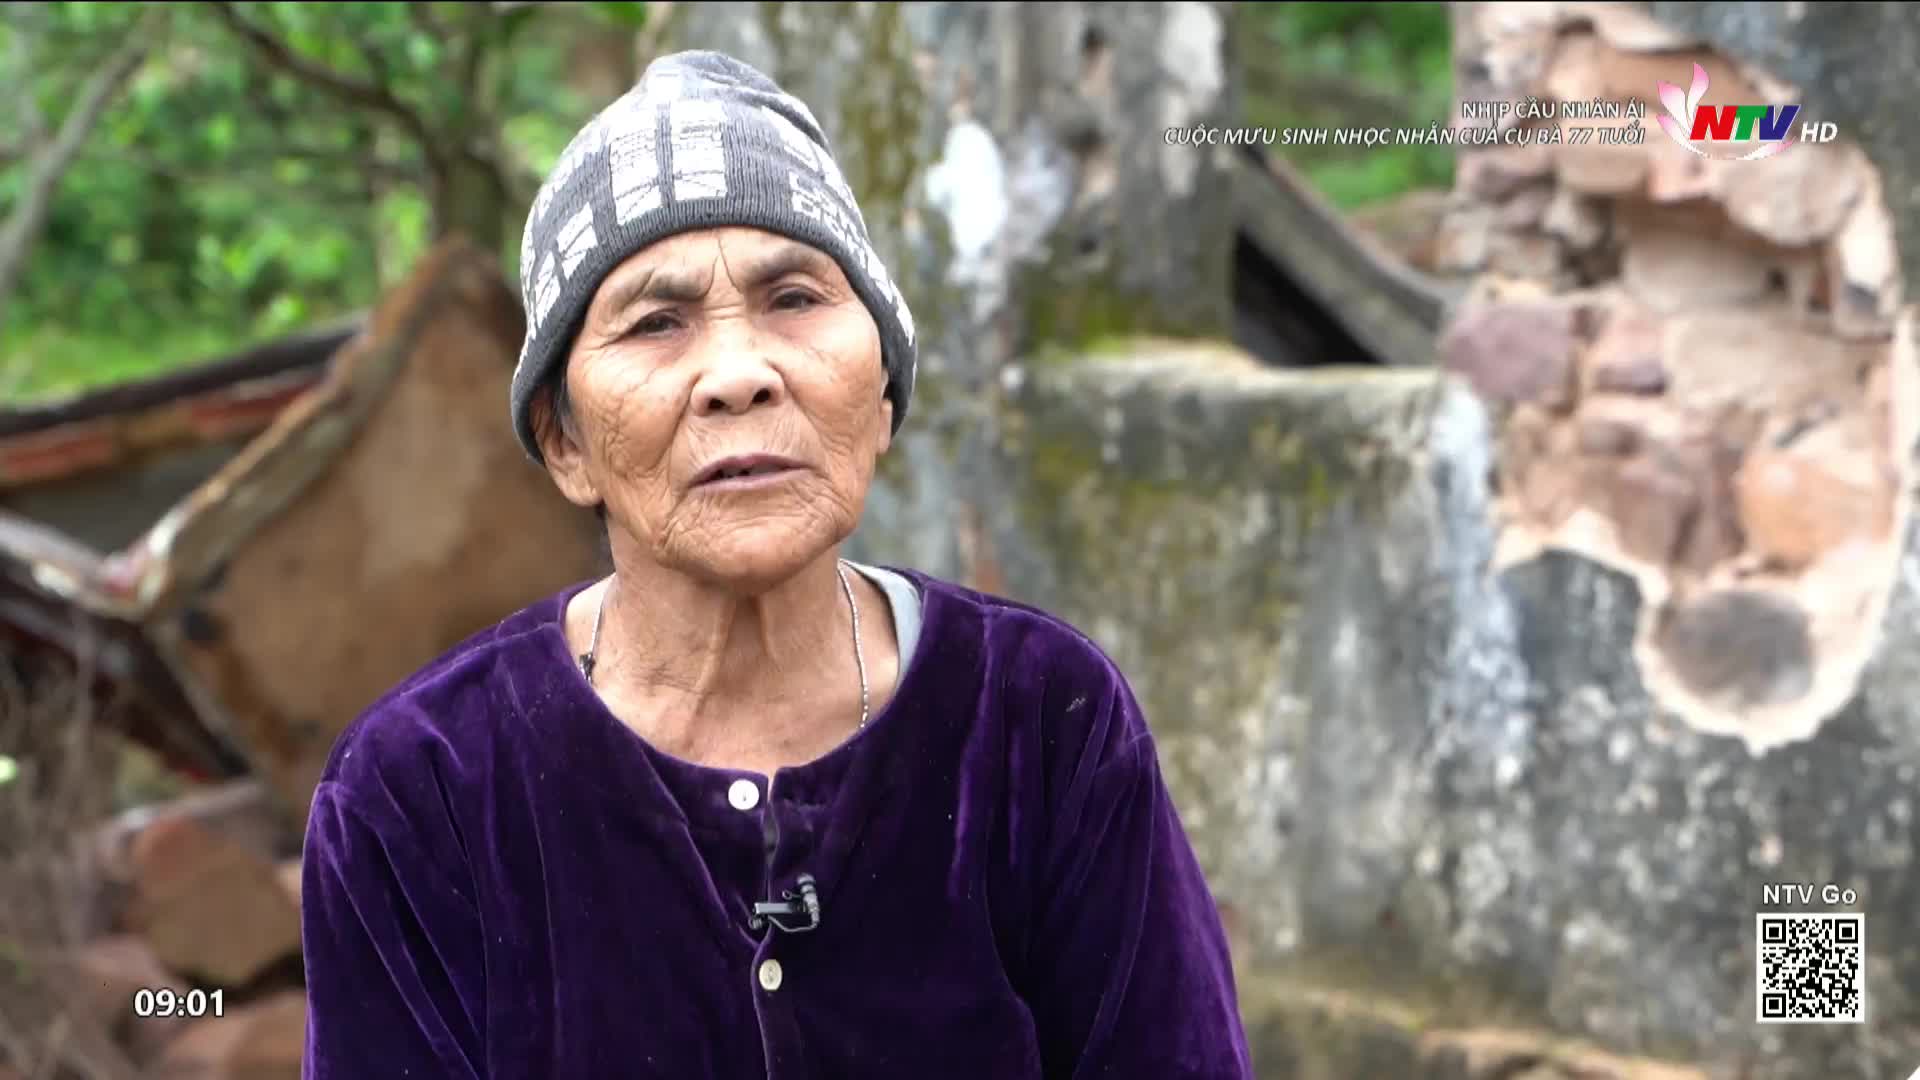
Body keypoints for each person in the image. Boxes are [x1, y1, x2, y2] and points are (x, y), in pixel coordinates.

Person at [298, 49, 1254, 1079]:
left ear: (882, 395)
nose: (739, 375)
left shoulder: (1042, 722)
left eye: (795, 298)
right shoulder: (419, 790)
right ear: (565, 442)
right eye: (656, 323)